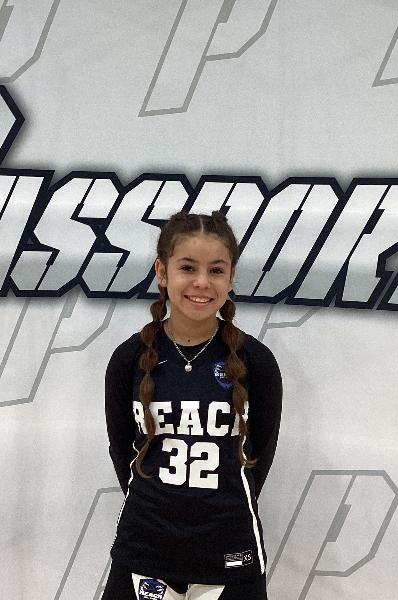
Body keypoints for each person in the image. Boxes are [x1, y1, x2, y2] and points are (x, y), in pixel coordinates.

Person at [103, 211, 282, 600]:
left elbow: (260, 456)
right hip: (144, 547)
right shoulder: (129, 358)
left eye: (216, 270)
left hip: (230, 550)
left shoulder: (256, 361)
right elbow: (122, 449)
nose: (202, 282)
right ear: (162, 272)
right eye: (187, 267)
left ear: (230, 278)